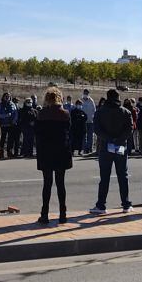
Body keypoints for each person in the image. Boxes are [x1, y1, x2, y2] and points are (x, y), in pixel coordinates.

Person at [89, 88, 133, 215]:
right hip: (120, 146)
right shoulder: (126, 112)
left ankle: (101, 205)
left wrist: (109, 139)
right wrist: (119, 140)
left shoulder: (100, 112)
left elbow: (97, 129)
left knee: (104, 177)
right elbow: (129, 129)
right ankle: (126, 204)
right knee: (123, 175)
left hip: (105, 146)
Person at [35, 88, 72, 224]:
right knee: (60, 183)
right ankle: (63, 214)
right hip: (61, 151)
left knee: (47, 183)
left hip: (46, 152)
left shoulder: (41, 114)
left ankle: (44, 214)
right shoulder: (65, 114)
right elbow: (69, 132)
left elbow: (37, 133)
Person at [0, 93, 18, 159]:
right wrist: (5, 115)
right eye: (6, 96)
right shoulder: (0, 105)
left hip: (11, 124)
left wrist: (14, 121)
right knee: (3, 138)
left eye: (8, 96)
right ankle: (1, 152)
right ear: (3, 97)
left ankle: (9, 152)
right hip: (3, 124)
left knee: (10, 139)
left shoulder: (12, 104)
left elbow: (16, 113)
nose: (7, 97)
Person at [80, 89, 96, 154]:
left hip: (90, 121)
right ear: (83, 93)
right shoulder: (81, 100)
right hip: (83, 122)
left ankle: (90, 148)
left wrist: (93, 118)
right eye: (85, 93)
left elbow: (94, 110)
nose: (86, 94)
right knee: (84, 136)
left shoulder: (91, 101)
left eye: (87, 93)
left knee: (90, 136)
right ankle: (84, 148)